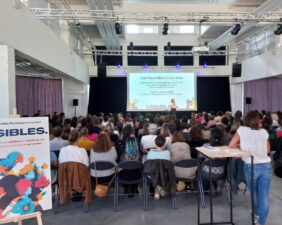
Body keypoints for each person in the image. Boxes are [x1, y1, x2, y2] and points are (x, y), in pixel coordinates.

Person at [229, 111, 271, 225]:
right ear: (258, 120)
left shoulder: (242, 130)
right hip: (266, 166)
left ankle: (256, 216)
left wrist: (241, 147)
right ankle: (260, 221)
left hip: (251, 166)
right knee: (264, 195)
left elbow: (231, 145)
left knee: (254, 193)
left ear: (246, 120)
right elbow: (267, 150)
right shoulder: (263, 132)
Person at [147, 135, 170, 200]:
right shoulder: (167, 153)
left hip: (153, 175)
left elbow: (149, 165)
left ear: (155, 143)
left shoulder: (150, 153)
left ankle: (157, 189)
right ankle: (159, 188)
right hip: (164, 175)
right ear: (164, 143)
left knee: (155, 172)